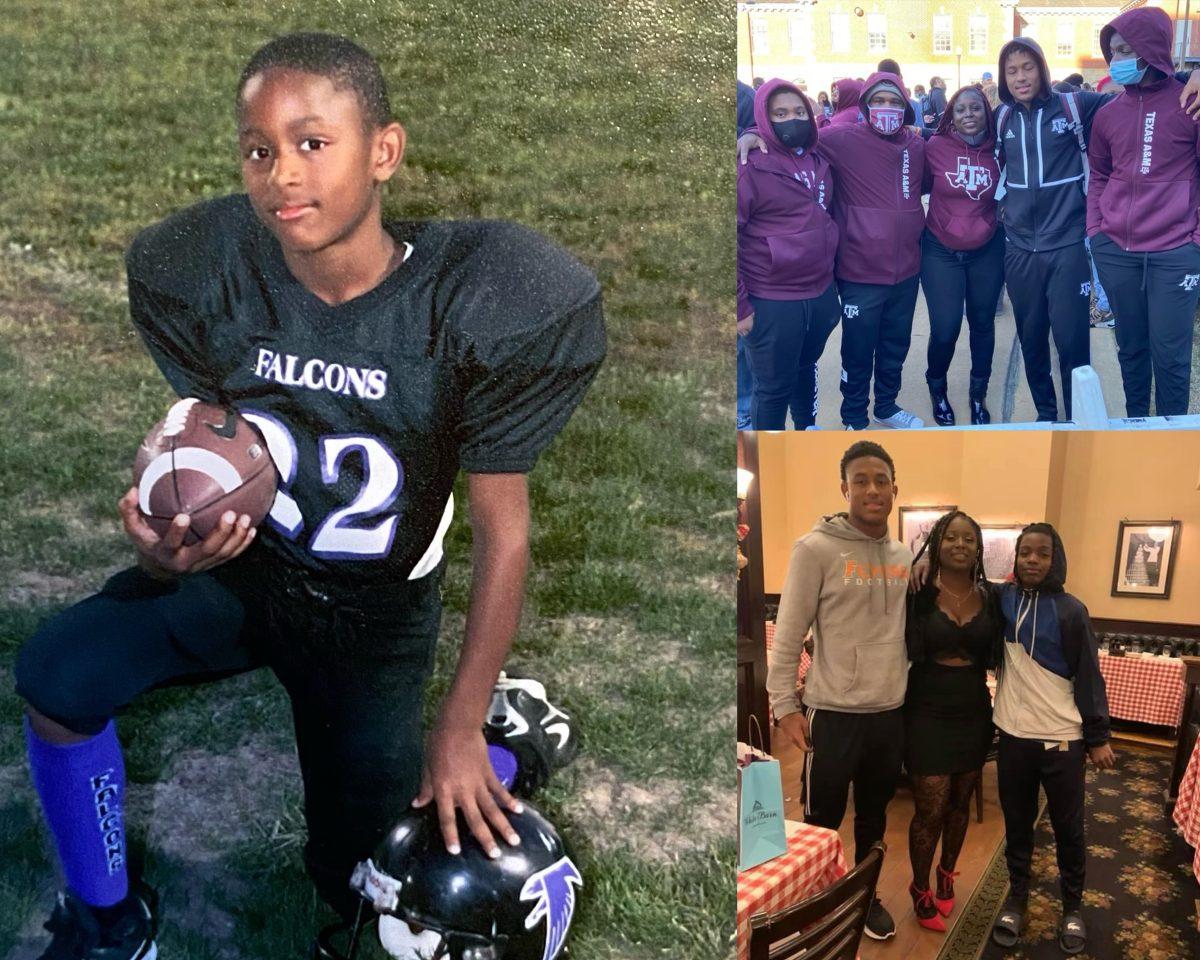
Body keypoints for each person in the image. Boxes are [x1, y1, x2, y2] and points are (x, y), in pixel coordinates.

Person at [13, 32, 606, 959]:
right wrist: (167, 545)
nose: (282, 172)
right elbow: (212, 444)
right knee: (58, 675)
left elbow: (505, 537)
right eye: (259, 149)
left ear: (384, 151)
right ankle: (103, 917)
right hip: (243, 576)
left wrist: (454, 723)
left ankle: (503, 745)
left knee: (368, 878)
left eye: (312, 142)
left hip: (371, 622)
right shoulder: (210, 269)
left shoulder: (474, 301)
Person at [995, 38, 1200, 421]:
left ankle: (1078, 419)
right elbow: (964, 140)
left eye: (1028, 67)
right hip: (1020, 250)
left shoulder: (1076, 105)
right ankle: (1046, 417)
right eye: (1012, 70)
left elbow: (1143, 98)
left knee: (1073, 345)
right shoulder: (1001, 118)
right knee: (1032, 339)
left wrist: (1193, 74)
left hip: (1068, 247)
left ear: (1042, 69)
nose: (1021, 77)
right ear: (1004, 78)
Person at [768, 440, 911, 941]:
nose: (872, 490)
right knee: (820, 821)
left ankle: (864, 896)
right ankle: (814, 907)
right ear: (844, 488)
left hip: (888, 715)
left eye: (881, 481)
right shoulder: (815, 549)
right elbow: (788, 633)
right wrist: (784, 706)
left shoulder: (902, 555)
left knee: (874, 819)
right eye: (861, 481)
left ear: (895, 488)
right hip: (832, 713)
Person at [739, 72, 928, 430]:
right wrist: (752, 132)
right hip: (859, 270)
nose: (886, 108)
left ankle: (886, 406)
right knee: (857, 352)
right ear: (864, 105)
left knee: (895, 346)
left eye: (894, 102)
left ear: (906, 107)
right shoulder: (838, 138)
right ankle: (854, 417)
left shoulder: (917, 146)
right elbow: (790, 135)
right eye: (878, 101)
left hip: (906, 269)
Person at [989, 524, 1114, 955]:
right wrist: (928, 560)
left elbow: (1088, 677)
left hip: (1063, 739)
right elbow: (962, 579)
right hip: (1014, 737)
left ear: (1055, 558)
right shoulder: (1003, 599)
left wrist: (1097, 737)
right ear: (1015, 557)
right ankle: (1018, 895)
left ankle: (1072, 905)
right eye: (1025, 552)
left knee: (1067, 828)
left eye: (1042, 553)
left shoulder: (1072, 610)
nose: (1032, 560)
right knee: (1017, 824)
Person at [1087, 7, 1200, 417]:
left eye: (1126, 49)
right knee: (1131, 350)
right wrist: (1097, 232)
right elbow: (1099, 175)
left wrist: (1195, 243)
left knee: (1171, 357)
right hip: (1117, 251)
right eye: (1113, 51)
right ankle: (1135, 428)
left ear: (1151, 49)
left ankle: (1174, 443)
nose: (1118, 59)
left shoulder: (1190, 103)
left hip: (1175, 255)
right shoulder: (1107, 114)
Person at [904, 511, 999, 933]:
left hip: (974, 709)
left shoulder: (992, 597)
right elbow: (864, 570)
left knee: (960, 804)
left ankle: (947, 875)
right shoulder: (917, 588)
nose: (960, 545)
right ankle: (919, 888)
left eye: (969, 539)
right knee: (930, 807)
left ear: (978, 549)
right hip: (925, 708)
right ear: (937, 544)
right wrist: (910, 564)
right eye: (951, 538)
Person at [737, 80, 840, 429]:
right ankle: (768, 463)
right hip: (772, 299)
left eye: (798, 112)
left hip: (819, 292)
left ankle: (805, 430)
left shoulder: (818, 158)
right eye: (779, 114)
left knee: (805, 368)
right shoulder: (750, 165)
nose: (791, 119)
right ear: (765, 120)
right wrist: (739, 305)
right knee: (773, 388)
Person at [920, 85, 1005, 425]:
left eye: (976, 108)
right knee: (946, 327)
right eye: (960, 109)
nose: (968, 114)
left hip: (986, 248)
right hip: (940, 248)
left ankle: (977, 393)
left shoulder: (1000, 149)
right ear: (950, 116)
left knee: (983, 324)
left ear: (987, 112)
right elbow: (920, 183)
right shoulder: (934, 147)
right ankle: (936, 386)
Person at [737, 79, 758, 429]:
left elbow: (762, 121)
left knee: (743, 343)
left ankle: (744, 410)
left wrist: (754, 132)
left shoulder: (742, 95)